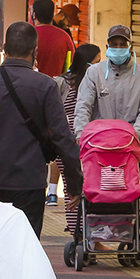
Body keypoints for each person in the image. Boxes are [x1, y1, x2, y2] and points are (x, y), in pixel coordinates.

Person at [0, 21, 83, 239]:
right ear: (35, 51)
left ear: (4, 48)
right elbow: (63, 139)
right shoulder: (46, 86)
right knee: (26, 249)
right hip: (29, 185)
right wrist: (74, 185)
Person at [73, 24, 140, 152]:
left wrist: (135, 136)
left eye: (123, 44)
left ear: (130, 47)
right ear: (107, 47)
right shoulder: (94, 73)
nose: (118, 48)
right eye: (114, 44)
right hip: (98, 145)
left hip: (130, 148)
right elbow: (83, 106)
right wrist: (82, 134)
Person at [50, 44, 101, 234]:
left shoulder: (95, 82)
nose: (99, 65)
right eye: (96, 61)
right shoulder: (62, 83)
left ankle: (87, 234)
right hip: (69, 141)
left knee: (89, 188)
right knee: (73, 188)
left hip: (90, 140)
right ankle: (79, 233)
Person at [32, 0, 75, 78]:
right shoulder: (65, 37)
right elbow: (70, 64)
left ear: (34, 15)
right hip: (56, 85)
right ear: (52, 15)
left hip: (31, 84)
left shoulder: (28, 34)